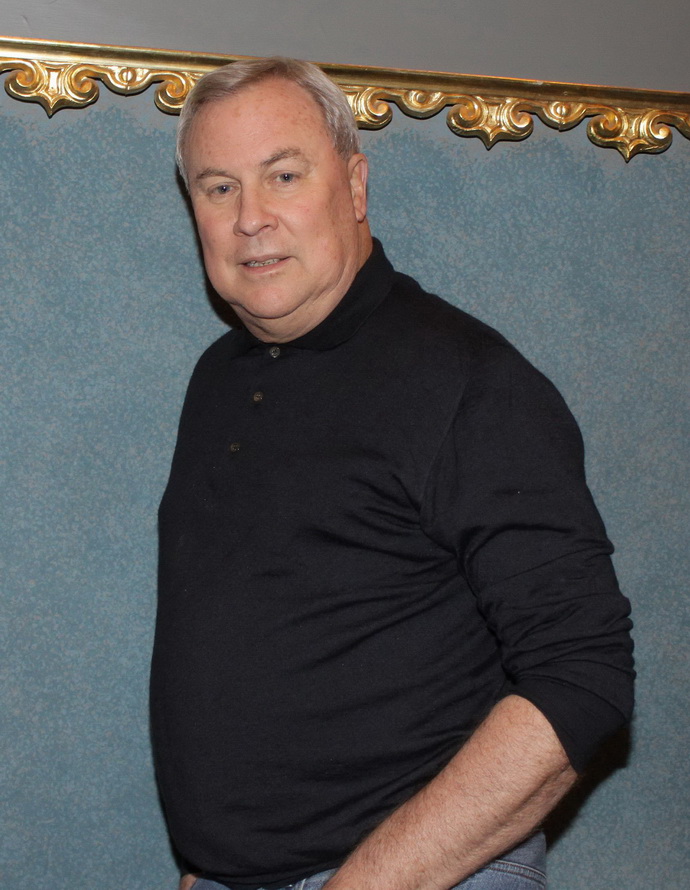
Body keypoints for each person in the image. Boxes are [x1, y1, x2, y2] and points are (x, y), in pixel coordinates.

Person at [151, 57, 634, 890]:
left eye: (284, 175)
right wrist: (214, 862)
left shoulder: (468, 381)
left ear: (355, 185)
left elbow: (582, 677)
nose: (250, 218)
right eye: (218, 187)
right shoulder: (218, 378)